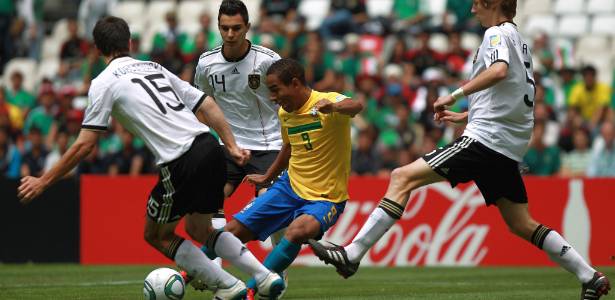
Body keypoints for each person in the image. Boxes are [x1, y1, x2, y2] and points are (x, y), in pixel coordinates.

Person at [308, 1, 611, 299]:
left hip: (485, 141)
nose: (472, 10)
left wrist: (454, 95)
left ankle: (352, 254)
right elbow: (513, 93)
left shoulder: (496, 34)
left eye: (476, 3)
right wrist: (468, 114)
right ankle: (590, 277)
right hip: (505, 145)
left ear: (491, 3)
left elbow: (499, 72)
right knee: (521, 223)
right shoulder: (518, 39)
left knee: (402, 177)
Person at [17, 16, 284, 299]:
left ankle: (229, 286)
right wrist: (229, 144)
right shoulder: (153, 67)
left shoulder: (103, 82)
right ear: (130, 43)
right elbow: (206, 102)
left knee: (156, 235)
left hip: (180, 158)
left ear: (97, 50)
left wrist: (44, 181)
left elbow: (84, 145)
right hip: (209, 146)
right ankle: (264, 276)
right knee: (199, 228)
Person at [201, 58, 363, 298]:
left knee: (297, 231)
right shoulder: (285, 114)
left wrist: (335, 108)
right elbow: (288, 148)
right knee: (232, 230)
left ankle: (250, 291)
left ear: (295, 83)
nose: (273, 97)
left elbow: (356, 105)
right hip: (288, 188)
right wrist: (267, 176)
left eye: (276, 90)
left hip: (326, 198)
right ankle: (187, 273)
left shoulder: (325, 102)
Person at [194, 0, 286, 270]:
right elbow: (202, 105)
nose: (230, 34)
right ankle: (218, 278)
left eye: (236, 28)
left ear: (247, 27)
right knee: (212, 202)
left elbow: (288, 101)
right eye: (225, 28)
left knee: (273, 208)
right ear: (218, 28)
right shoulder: (206, 63)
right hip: (228, 145)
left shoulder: (268, 60)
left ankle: (276, 272)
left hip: (269, 144)